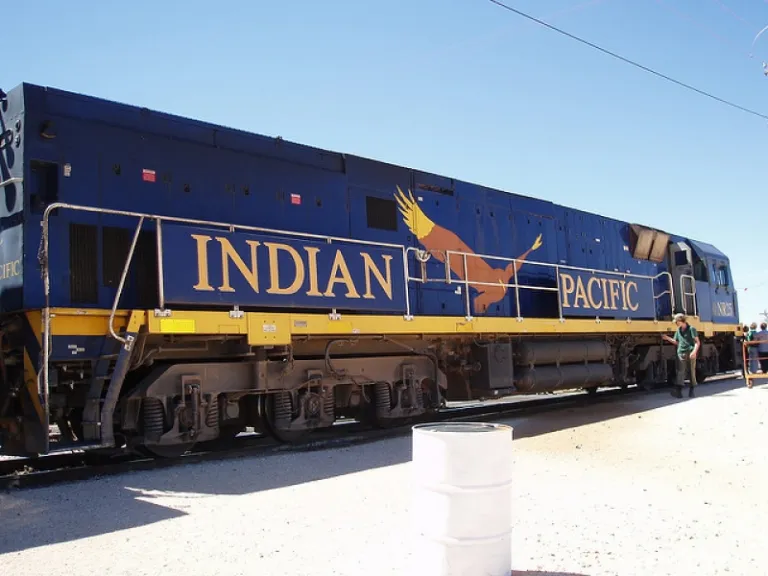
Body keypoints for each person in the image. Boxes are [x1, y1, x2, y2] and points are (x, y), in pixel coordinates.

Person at [662, 313, 700, 398]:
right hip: (681, 353)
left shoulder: (691, 329)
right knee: (680, 372)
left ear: (681, 320)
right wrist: (667, 338)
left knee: (691, 371)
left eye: (676, 322)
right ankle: (679, 392)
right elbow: (676, 342)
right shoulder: (678, 330)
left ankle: (692, 390)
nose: (676, 323)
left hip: (690, 353)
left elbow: (697, 342)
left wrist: (694, 352)